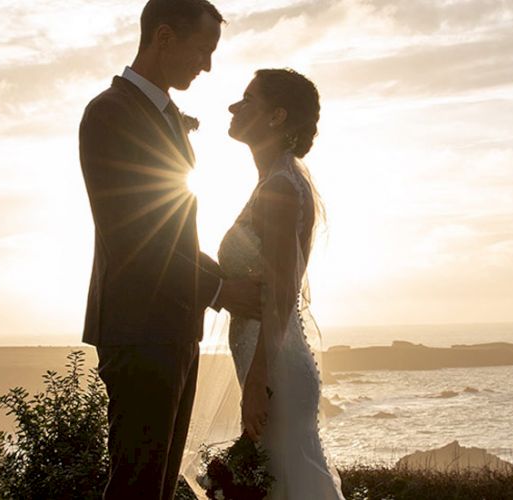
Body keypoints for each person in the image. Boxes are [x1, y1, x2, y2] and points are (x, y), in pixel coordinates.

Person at [75, 1, 262, 498]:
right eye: (203, 49)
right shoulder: (111, 113)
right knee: (137, 484)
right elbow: (134, 236)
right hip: (139, 329)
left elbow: (173, 232)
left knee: (154, 486)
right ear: (163, 37)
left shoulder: (158, 116)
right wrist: (220, 287)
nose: (207, 65)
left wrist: (218, 278)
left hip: (172, 326)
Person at [215, 68, 343, 499]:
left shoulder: (281, 189)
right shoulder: (275, 181)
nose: (234, 106)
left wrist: (257, 383)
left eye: (247, 99)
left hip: (274, 370)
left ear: (277, 117)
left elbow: (284, 289)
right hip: (270, 363)